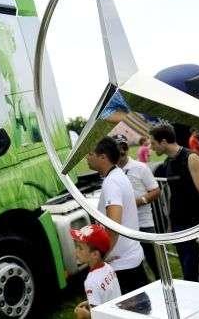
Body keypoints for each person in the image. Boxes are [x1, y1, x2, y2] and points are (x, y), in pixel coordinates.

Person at [86, 137, 148, 293]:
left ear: (103, 157)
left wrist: (102, 256)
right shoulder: (117, 175)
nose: (87, 157)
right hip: (129, 260)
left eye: (90, 153)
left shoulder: (112, 182)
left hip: (124, 266)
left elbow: (114, 225)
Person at [149, 123, 199, 281]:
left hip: (193, 224)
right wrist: (170, 223)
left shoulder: (190, 157)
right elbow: (172, 194)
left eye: (153, 143)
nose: (151, 148)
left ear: (163, 142)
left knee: (195, 272)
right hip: (178, 225)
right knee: (186, 269)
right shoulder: (168, 162)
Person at [113, 134, 161, 279]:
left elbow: (156, 191)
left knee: (155, 261)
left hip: (144, 224)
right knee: (135, 265)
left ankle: (162, 283)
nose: (122, 151)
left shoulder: (140, 167)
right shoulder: (111, 172)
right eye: (117, 148)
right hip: (125, 227)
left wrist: (139, 201)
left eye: (123, 146)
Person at [70, 223, 121, 318]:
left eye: (80, 248)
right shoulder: (108, 267)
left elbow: (97, 316)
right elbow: (108, 294)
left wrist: (84, 315)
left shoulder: (90, 282)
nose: (76, 251)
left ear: (95, 255)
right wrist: (90, 301)